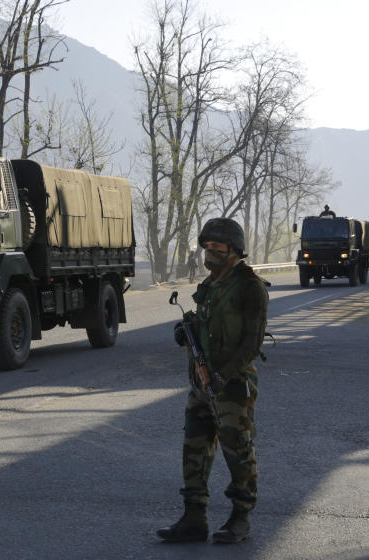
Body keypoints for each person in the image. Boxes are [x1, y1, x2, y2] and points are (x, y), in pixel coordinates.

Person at [157, 218, 269, 544]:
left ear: (233, 250)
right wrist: (185, 329)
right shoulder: (211, 285)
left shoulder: (250, 287)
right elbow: (205, 322)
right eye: (207, 246)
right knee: (194, 449)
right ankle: (194, 518)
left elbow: (252, 344)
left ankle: (241, 517)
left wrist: (223, 377)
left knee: (238, 451)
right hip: (202, 385)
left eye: (217, 247)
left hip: (232, 387)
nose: (210, 252)